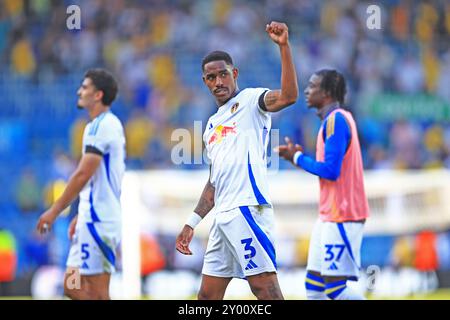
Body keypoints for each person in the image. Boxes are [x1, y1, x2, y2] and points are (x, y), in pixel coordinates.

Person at [175, 21, 298, 300]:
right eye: (211, 77)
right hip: (223, 217)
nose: (218, 82)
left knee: (264, 288)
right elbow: (213, 183)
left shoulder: (252, 100)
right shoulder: (210, 127)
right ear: (204, 81)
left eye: (223, 74)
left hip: (247, 209)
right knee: (207, 297)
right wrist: (192, 222)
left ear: (235, 73)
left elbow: (290, 96)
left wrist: (284, 47)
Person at [275, 69, 369, 300]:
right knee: (314, 288)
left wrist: (297, 159)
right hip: (329, 216)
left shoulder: (336, 120)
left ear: (326, 93)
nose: (307, 90)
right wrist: (298, 158)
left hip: (343, 215)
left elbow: (331, 171)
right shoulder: (335, 120)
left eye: (313, 86)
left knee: (336, 289)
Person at [36, 69, 126, 300]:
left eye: (84, 87)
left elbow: (83, 174)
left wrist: (54, 211)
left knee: (97, 292)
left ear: (98, 95)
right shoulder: (98, 126)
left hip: (99, 221)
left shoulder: (102, 126)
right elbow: (99, 179)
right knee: (71, 285)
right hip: (90, 217)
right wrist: (82, 213)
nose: (79, 91)